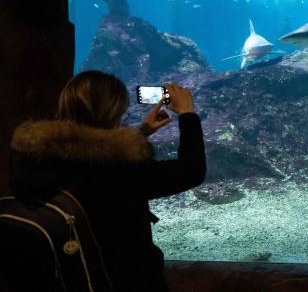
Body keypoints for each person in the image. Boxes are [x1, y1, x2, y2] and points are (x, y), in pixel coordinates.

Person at [9, 70, 206, 291]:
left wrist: (141, 132)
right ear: (117, 112)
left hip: (62, 279)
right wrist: (188, 114)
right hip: (119, 280)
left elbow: (85, 156)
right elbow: (191, 171)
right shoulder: (121, 170)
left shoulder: (33, 158)